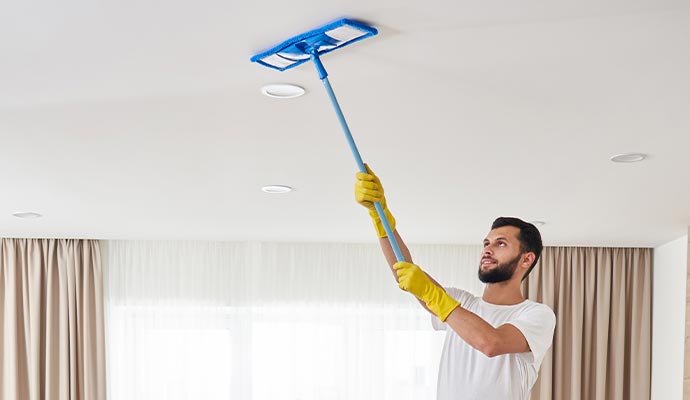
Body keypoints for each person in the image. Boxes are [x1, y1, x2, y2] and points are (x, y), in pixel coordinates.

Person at [354, 165, 556, 400]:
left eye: (500, 243)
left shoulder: (536, 315)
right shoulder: (461, 303)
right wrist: (381, 218)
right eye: (486, 243)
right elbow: (404, 271)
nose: (488, 250)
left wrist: (434, 295)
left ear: (527, 259)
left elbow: (491, 343)